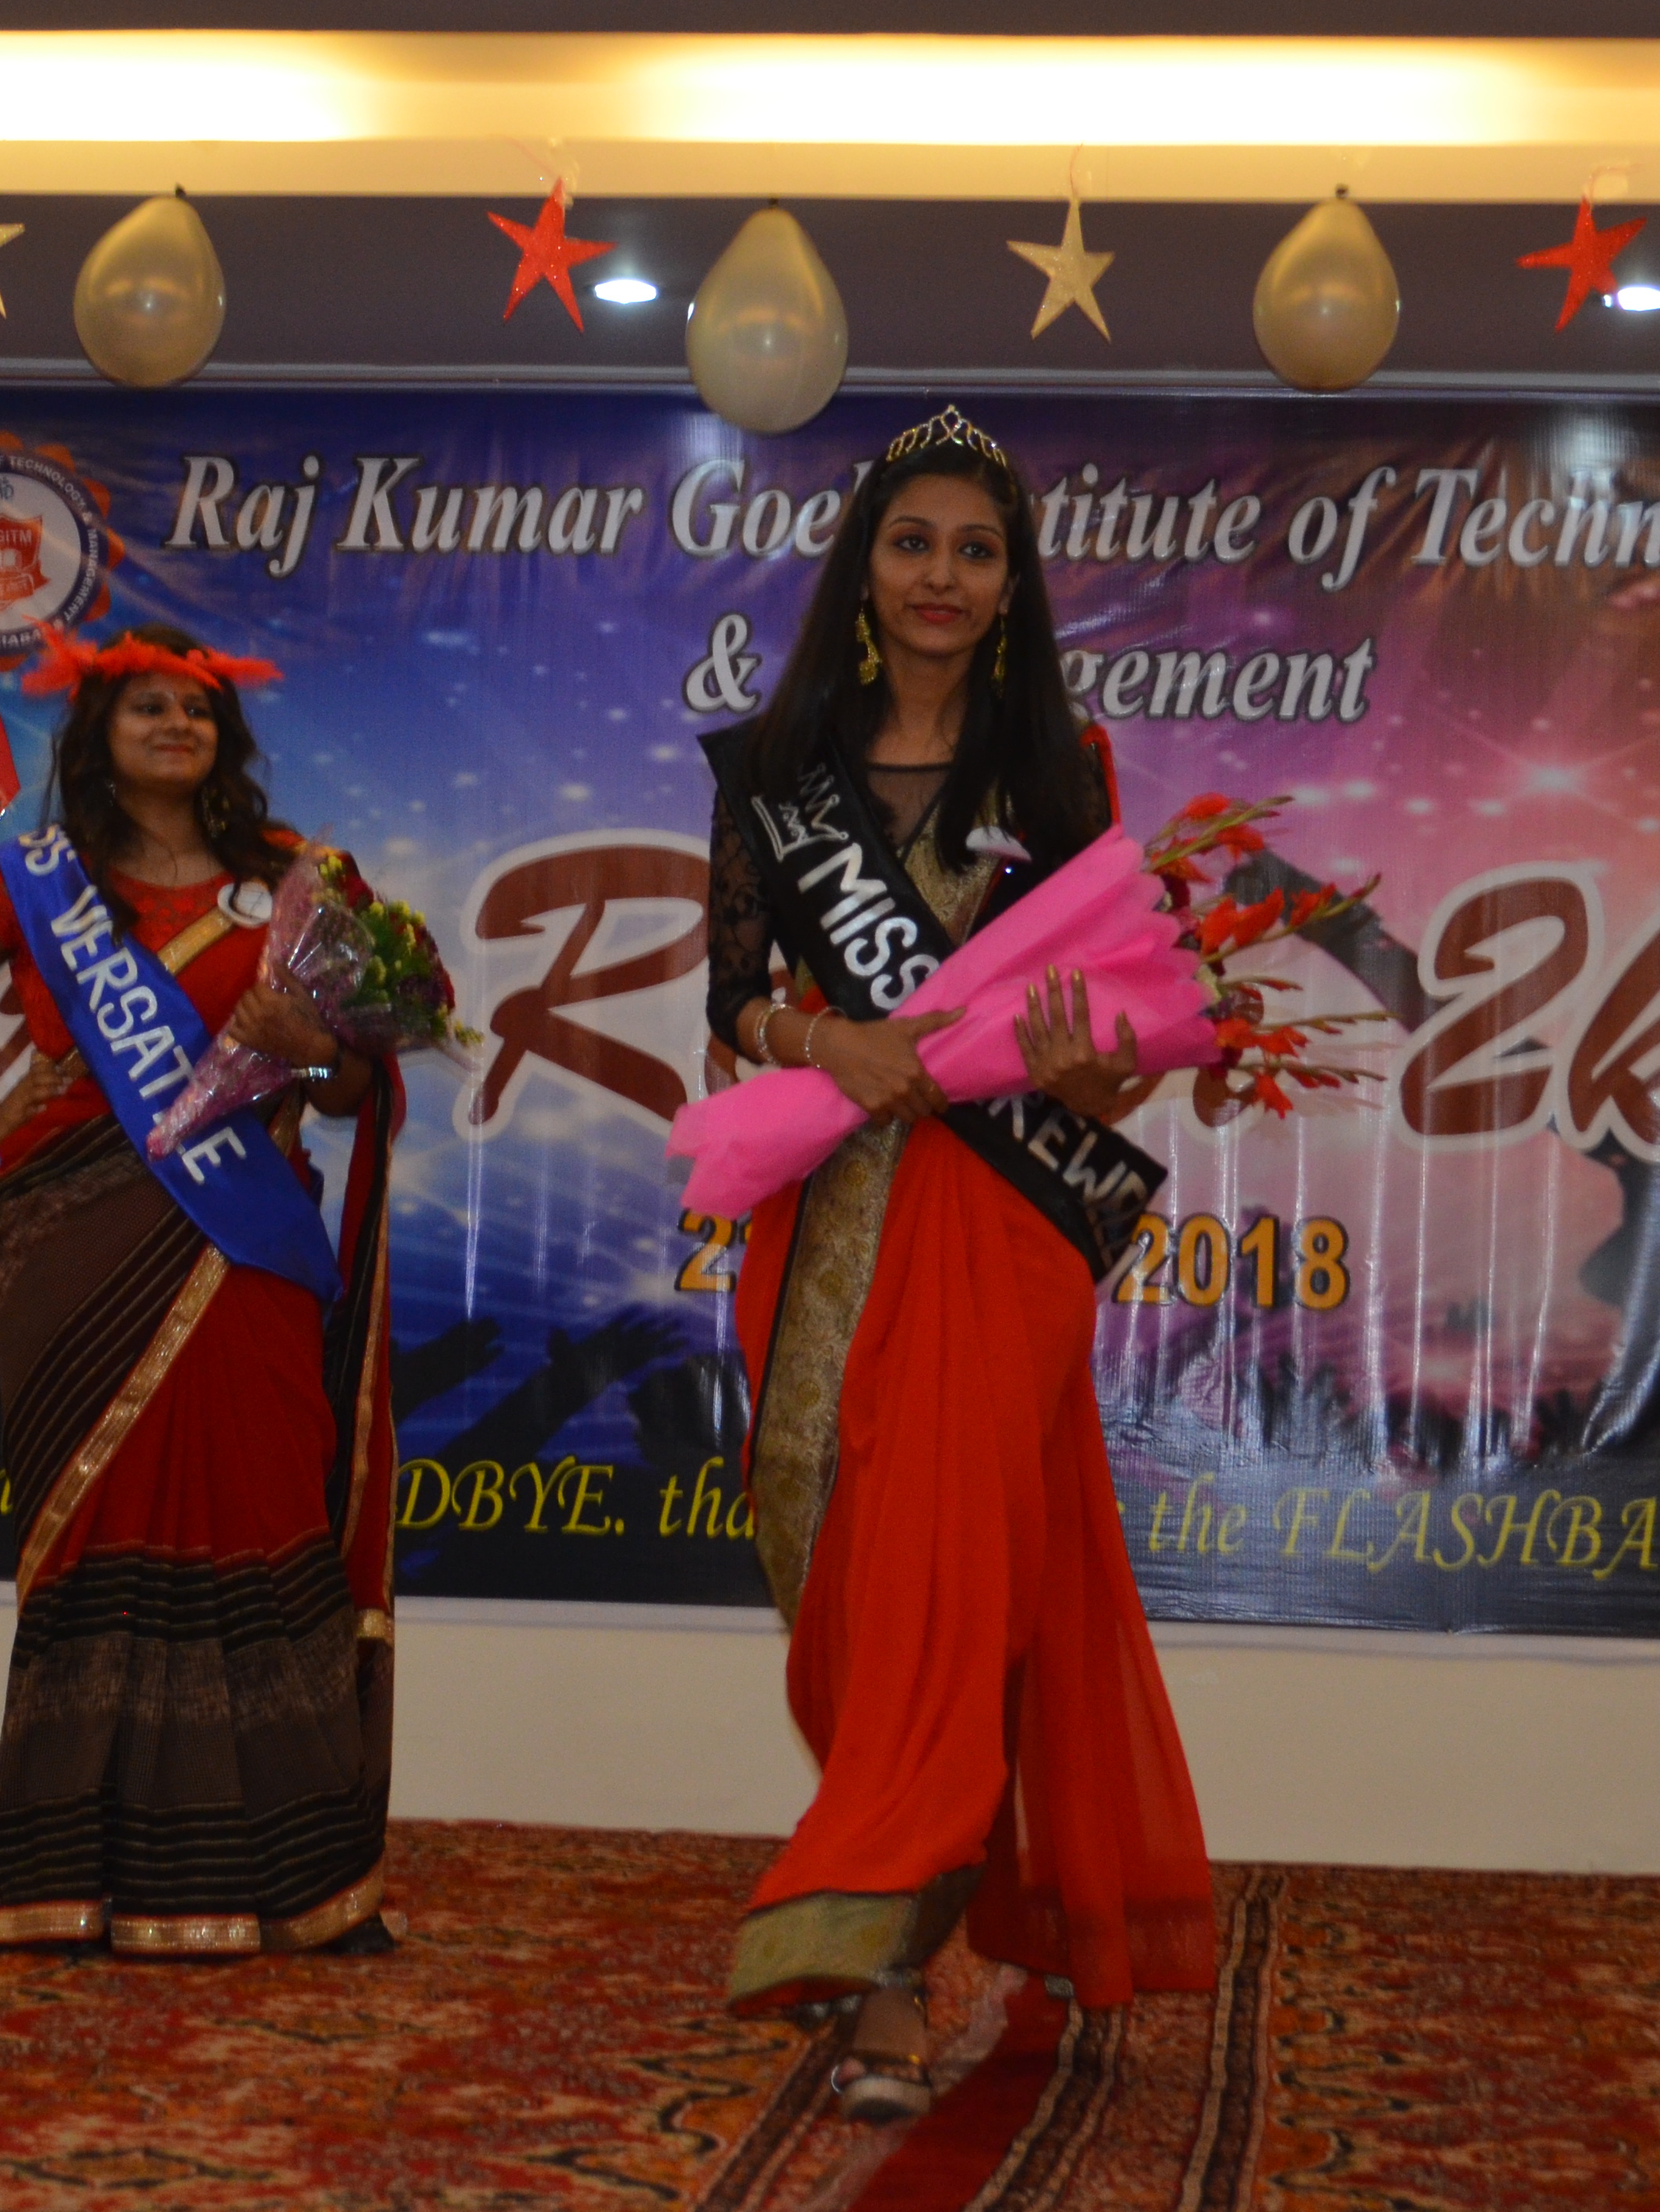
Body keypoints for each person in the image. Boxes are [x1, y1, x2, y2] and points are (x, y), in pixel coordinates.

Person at [701, 405, 1213, 2122]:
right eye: (912, 540)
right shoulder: (775, 771)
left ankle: (887, 1974)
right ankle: (904, 1884)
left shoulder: (1060, 773)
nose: (941, 574)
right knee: (832, 1553)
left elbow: (1115, 1043)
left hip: (1000, 1223)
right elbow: (728, 1005)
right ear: (866, 565)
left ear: (1010, 585)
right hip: (821, 1209)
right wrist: (822, 1039)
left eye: (975, 550)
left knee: (955, 1578)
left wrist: (1093, 1068)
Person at [0, 622, 403, 1957]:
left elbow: (355, 1085)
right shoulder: (33, 881)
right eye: (146, 706)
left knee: (261, 1504)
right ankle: (68, 1870)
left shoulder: (297, 879)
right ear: (97, 733)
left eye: (195, 709)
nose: (174, 726)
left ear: (224, 736)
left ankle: (282, 1873)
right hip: (72, 1238)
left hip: (246, 1244)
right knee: (97, 1532)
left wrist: (315, 1048)